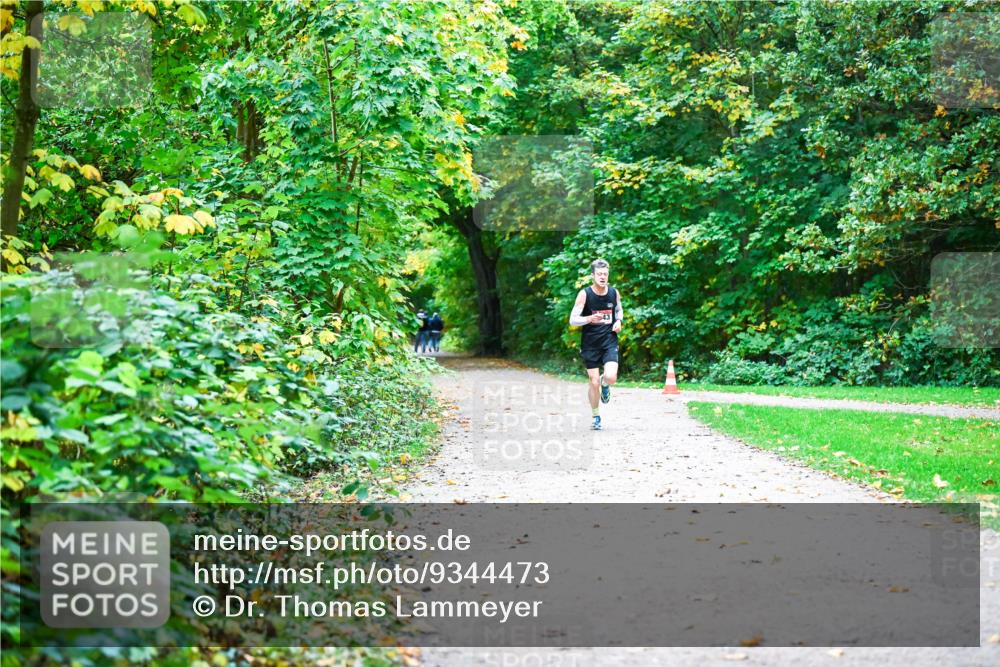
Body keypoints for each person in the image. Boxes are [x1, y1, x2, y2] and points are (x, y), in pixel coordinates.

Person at [568, 259, 623, 430]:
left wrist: (619, 321)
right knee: (593, 382)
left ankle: (605, 383)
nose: (603, 277)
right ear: (592, 276)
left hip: (609, 341)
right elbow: (573, 320)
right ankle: (596, 416)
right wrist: (588, 319)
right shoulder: (585, 294)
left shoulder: (614, 293)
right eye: (599, 274)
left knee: (611, 377)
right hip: (590, 344)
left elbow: (618, 310)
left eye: (605, 274)